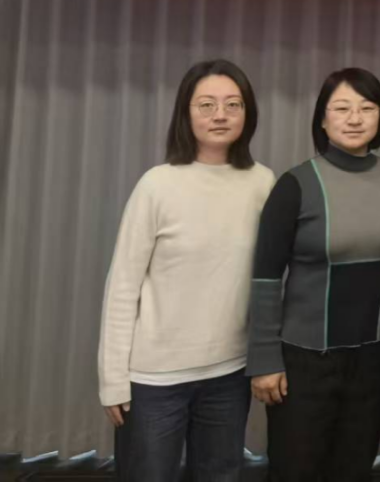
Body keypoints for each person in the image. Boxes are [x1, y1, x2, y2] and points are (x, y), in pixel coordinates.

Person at [98, 59, 275, 482]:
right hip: (153, 380)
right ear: (186, 112)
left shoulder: (262, 183)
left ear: (247, 113)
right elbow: (122, 286)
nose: (220, 115)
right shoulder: (157, 184)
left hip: (229, 374)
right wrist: (113, 379)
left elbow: (271, 281)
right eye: (206, 104)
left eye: (233, 104)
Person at [246, 67, 380, 482]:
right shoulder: (296, 184)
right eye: (341, 108)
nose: (355, 118)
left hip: (375, 355)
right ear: (322, 119)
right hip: (305, 360)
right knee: (295, 469)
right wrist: (264, 360)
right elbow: (265, 276)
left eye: (367, 108)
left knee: (354, 467)